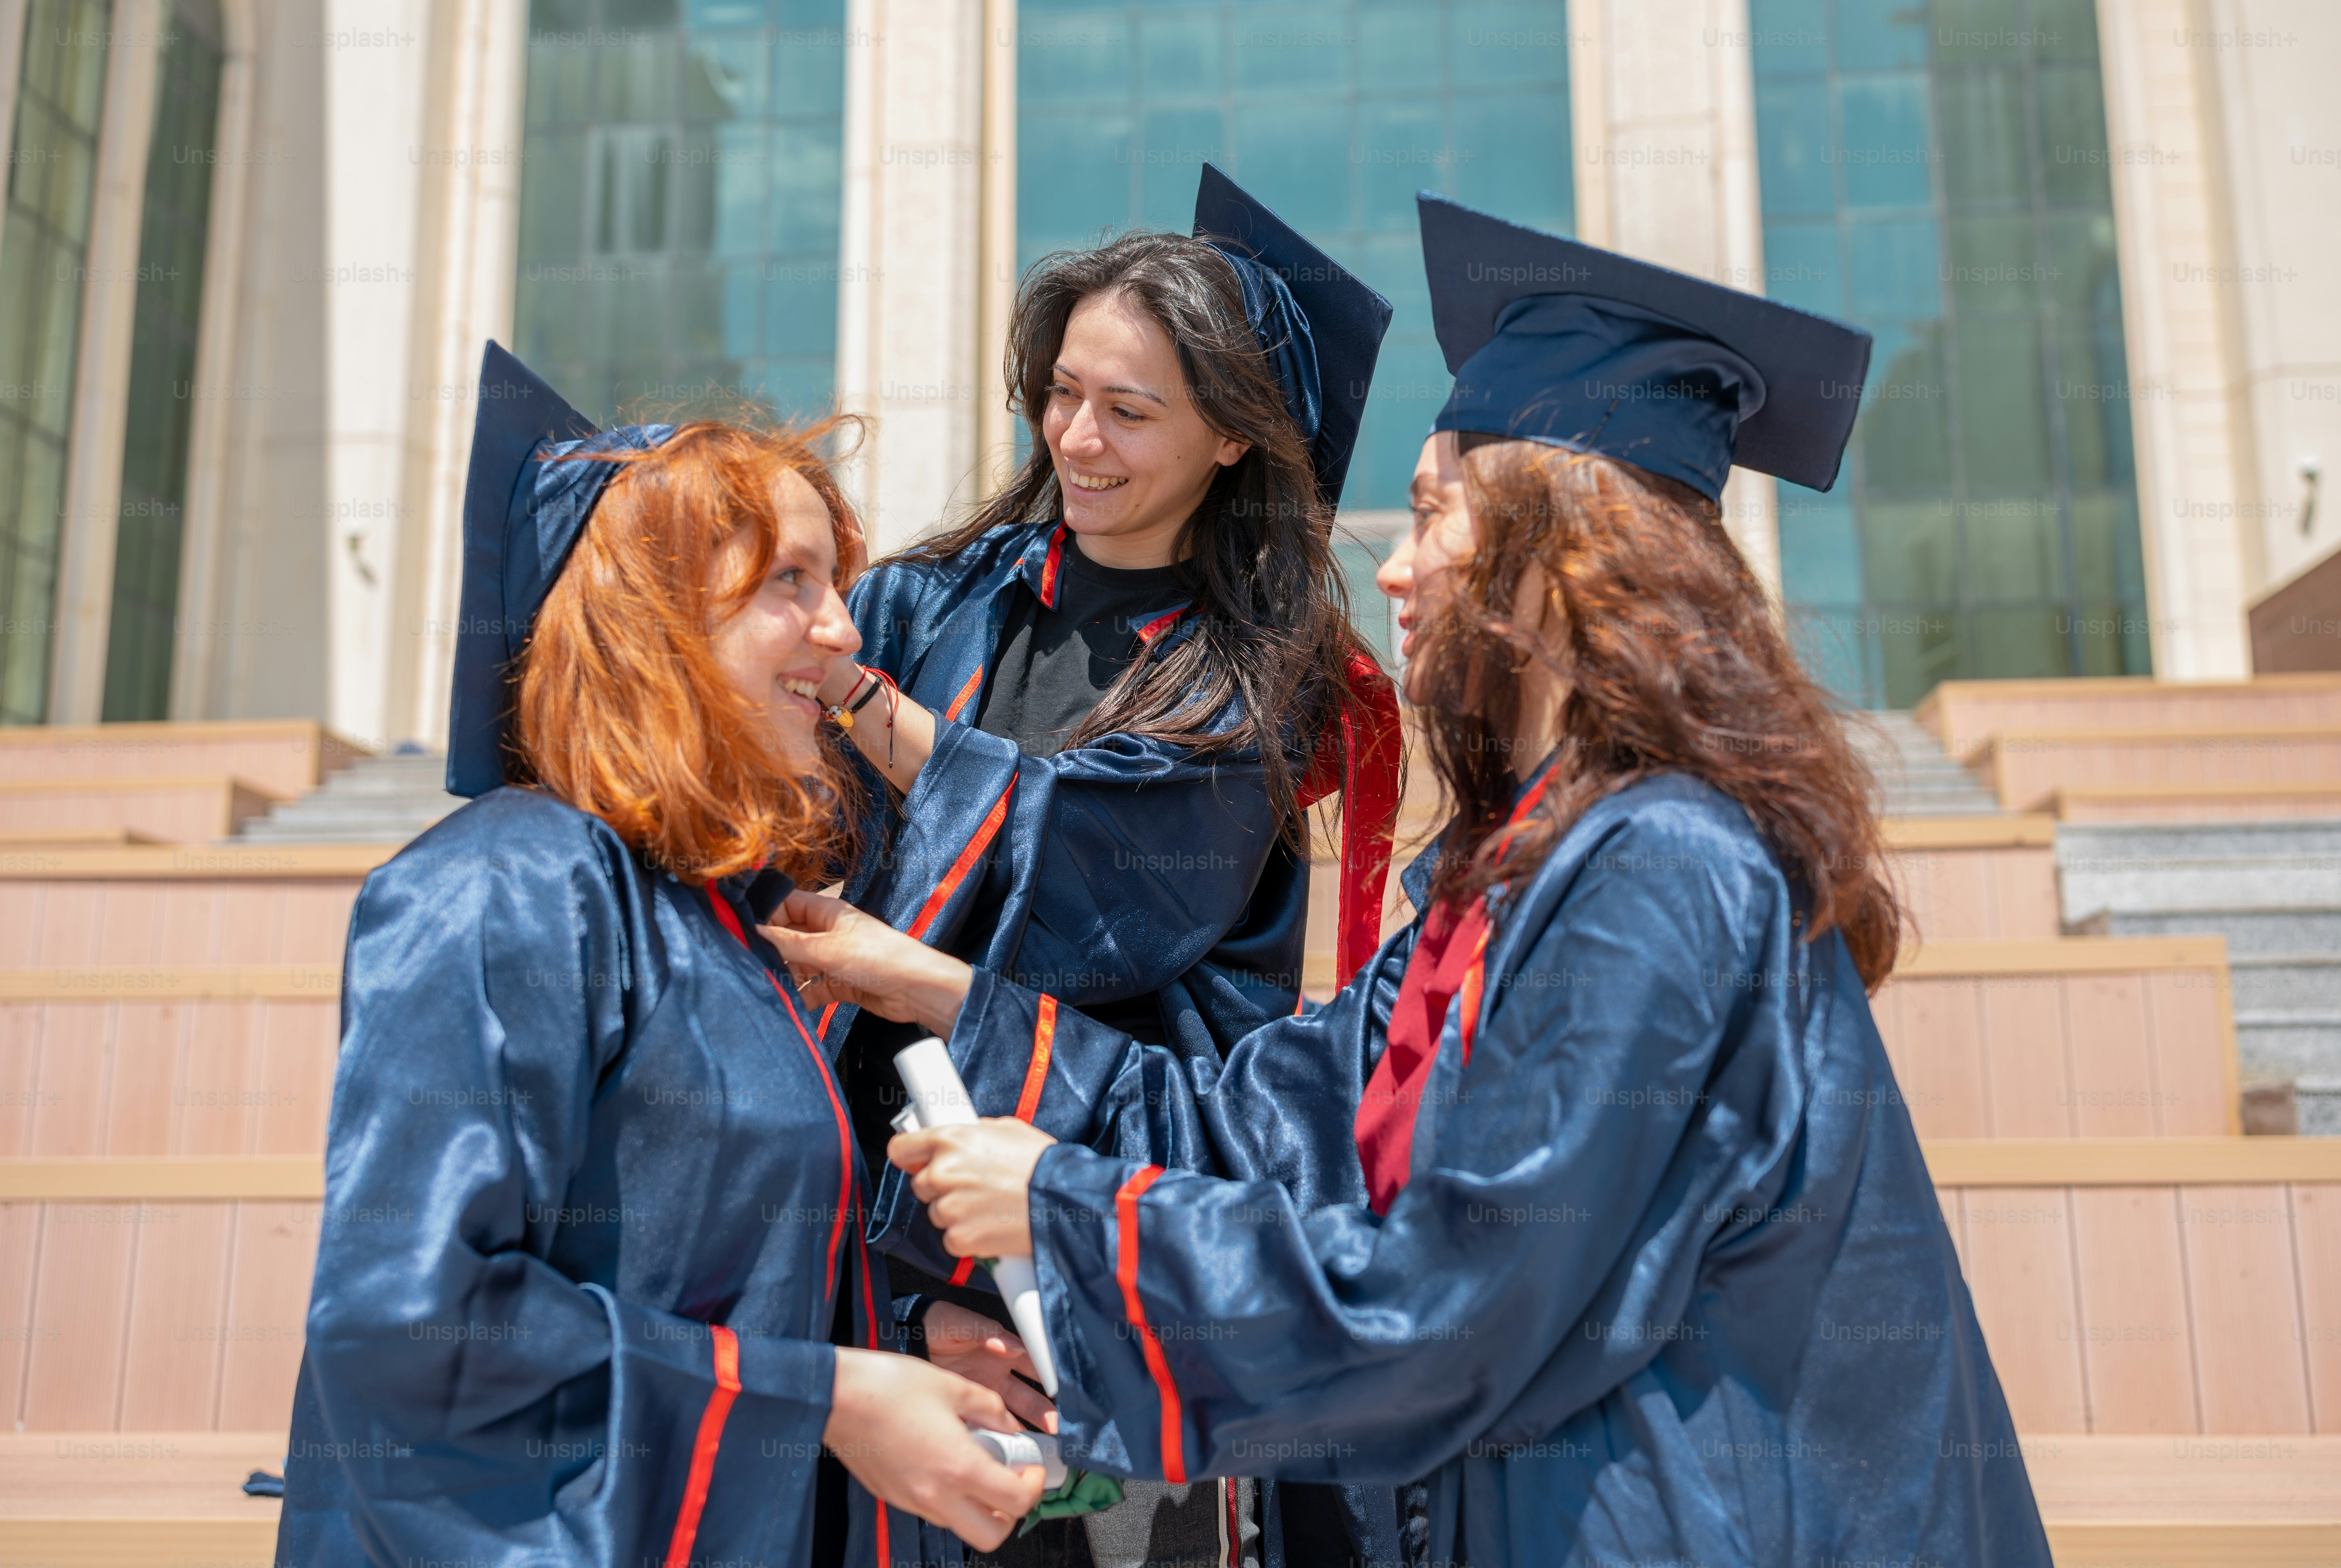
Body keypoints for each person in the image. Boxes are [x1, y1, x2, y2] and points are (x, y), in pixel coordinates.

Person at [764, 196, 2055, 1567]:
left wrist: (1073, 1212)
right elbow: (1267, 1117)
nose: (1395, 564)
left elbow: (1455, 1296)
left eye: (1435, 513)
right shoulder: (1516, 869)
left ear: (1565, 558)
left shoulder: (1667, 869)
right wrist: (948, 1004)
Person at [274, 345, 1045, 1567]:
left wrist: (884, 1363)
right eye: (788, 583)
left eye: (833, 578)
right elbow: (411, 1329)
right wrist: (828, 1400)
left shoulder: (725, 923)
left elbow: (689, 1284)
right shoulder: (508, 883)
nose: (843, 629)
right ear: (653, 629)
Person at [815, 167, 1406, 1567]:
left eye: (1129, 411)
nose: (1076, 437)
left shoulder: (1253, 680)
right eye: (1062, 391)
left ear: (1229, 442)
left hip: (1106, 1268)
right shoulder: (930, 600)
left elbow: (1091, 879)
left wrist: (859, 705)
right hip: (883, 1256)